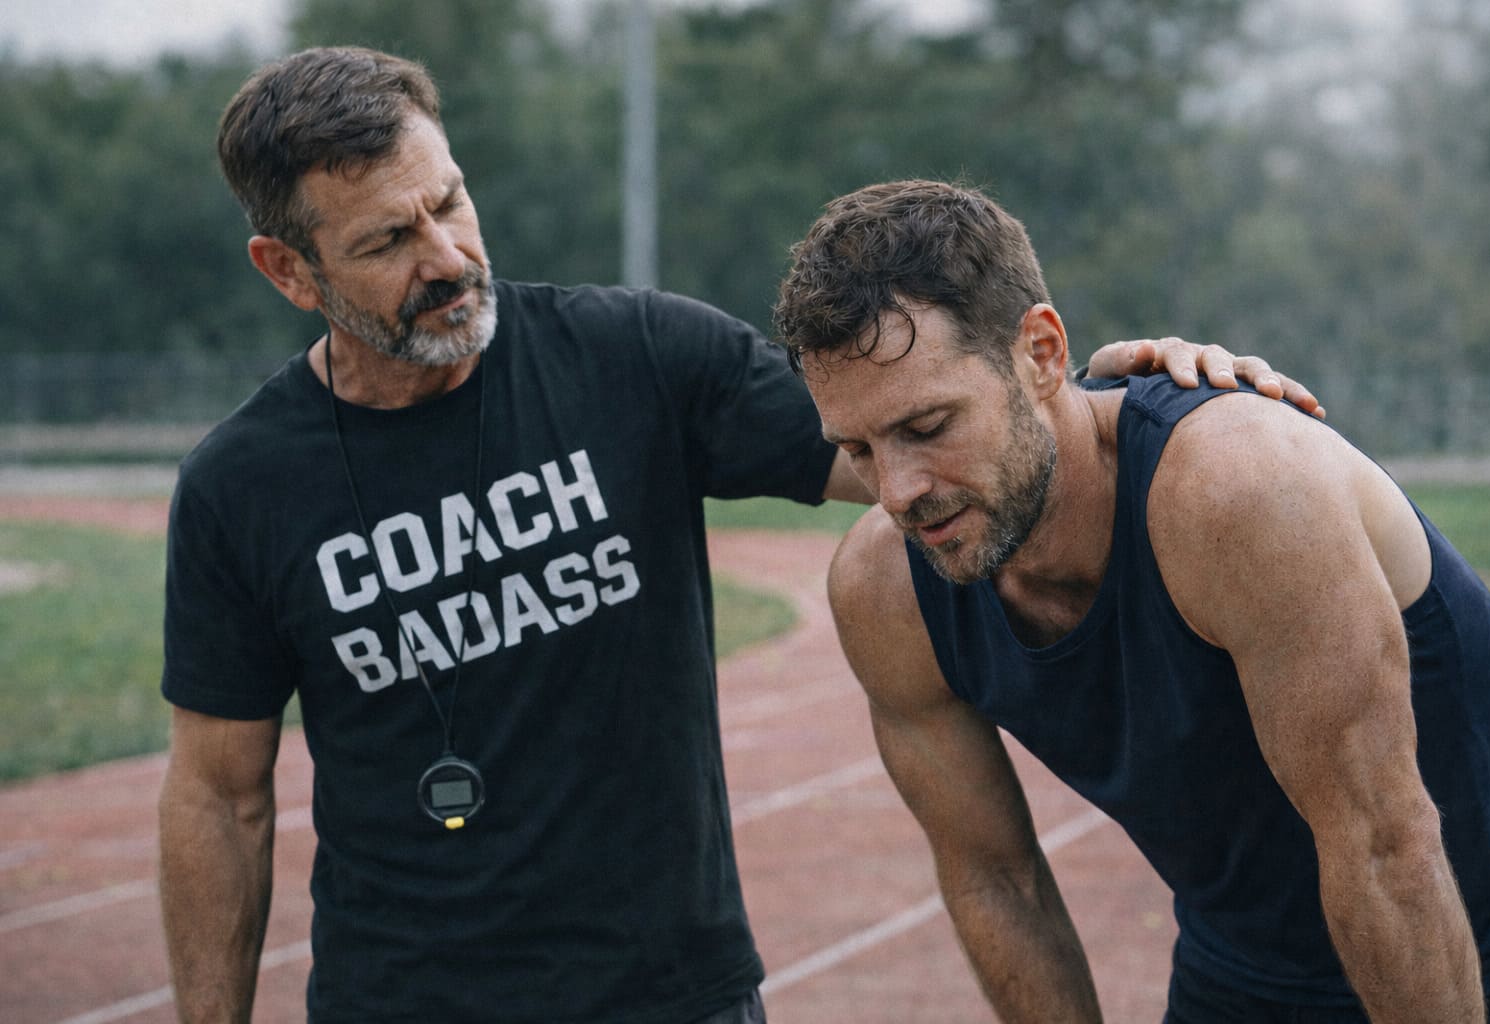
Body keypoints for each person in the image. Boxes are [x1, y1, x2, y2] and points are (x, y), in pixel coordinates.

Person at [156, 48, 1314, 1023]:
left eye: (448, 202)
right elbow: (221, 797)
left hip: (674, 993)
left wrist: (1148, 404)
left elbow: (924, 450)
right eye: (385, 242)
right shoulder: (238, 490)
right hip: (401, 1001)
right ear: (289, 273)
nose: (447, 258)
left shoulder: (634, 361)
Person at [773, 179, 1490, 1023]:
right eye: (858, 448)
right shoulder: (887, 589)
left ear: (1041, 354)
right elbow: (997, 878)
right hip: (1239, 974)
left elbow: (1384, 848)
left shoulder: (1240, 490)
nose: (898, 490)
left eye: (927, 427)